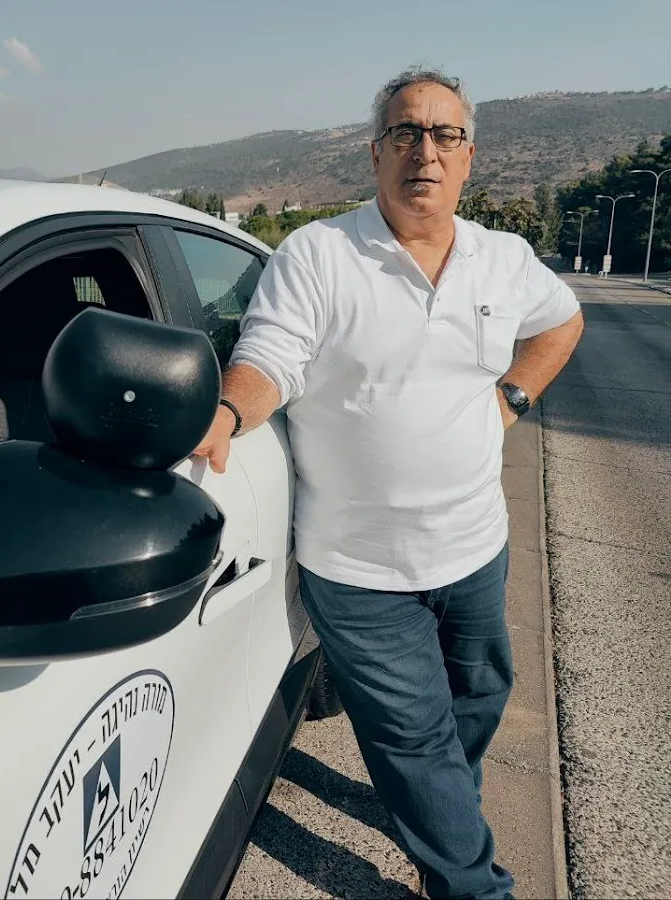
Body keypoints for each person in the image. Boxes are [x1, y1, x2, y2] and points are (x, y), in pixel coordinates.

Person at [193, 66, 584, 900]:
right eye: (405, 133)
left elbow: (562, 322)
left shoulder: (504, 260)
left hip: (476, 548)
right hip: (361, 569)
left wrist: (511, 400)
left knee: (478, 700)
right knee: (413, 738)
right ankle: (470, 882)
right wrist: (226, 411)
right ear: (376, 153)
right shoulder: (318, 254)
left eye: (444, 135)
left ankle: (441, 811)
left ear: (469, 157)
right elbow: (271, 356)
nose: (424, 151)